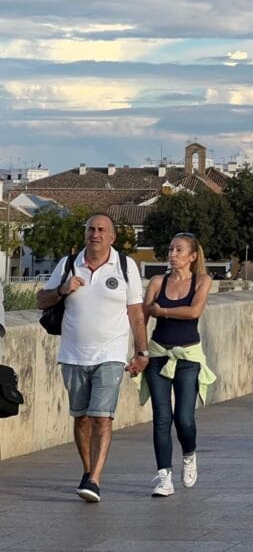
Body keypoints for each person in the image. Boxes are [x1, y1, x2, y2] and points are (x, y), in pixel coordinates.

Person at [35, 213, 148, 503]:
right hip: (73, 355)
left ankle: (95, 479)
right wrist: (63, 289)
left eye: (101, 230)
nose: (95, 234)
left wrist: (141, 351)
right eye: (90, 229)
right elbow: (41, 301)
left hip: (110, 354)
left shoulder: (125, 266)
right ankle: (87, 471)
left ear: (112, 237)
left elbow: (136, 313)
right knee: (81, 417)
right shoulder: (68, 264)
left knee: (102, 416)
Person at [140, 232, 216, 497]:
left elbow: (194, 312)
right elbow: (143, 315)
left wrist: (162, 311)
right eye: (171, 249)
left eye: (179, 250)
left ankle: (189, 454)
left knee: (184, 418)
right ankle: (164, 477)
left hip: (187, 357)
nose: (173, 254)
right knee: (162, 417)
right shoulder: (157, 282)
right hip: (159, 354)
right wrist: (140, 352)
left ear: (192, 257)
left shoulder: (202, 281)